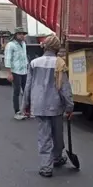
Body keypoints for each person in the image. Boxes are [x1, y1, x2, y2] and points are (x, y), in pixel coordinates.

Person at [21, 35, 74, 178]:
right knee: (57, 134)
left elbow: (28, 86)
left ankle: (46, 167)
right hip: (55, 105)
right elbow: (65, 88)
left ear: (44, 47)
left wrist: (25, 105)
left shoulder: (34, 63)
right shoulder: (60, 63)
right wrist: (70, 107)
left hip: (39, 105)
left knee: (44, 136)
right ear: (57, 48)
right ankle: (56, 158)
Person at [5, 27, 29, 120]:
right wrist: (9, 73)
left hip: (24, 71)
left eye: (23, 34)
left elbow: (24, 56)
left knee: (26, 91)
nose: (22, 35)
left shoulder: (23, 44)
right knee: (17, 91)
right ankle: (17, 111)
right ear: (15, 35)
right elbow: (8, 59)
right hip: (15, 71)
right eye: (20, 34)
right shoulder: (10, 45)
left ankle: (26, 110)